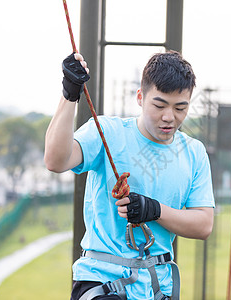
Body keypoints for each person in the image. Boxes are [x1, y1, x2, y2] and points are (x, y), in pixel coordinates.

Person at [44, 51, 215, 300]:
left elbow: (204, 224)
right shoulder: (106, 132)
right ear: (140, 97)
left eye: (180, 108)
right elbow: (56, 160)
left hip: (158, 288)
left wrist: (155, 210)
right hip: (103, 282)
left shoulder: (194, 152)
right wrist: (70, 94)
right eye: (159, 105)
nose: (169, 117)